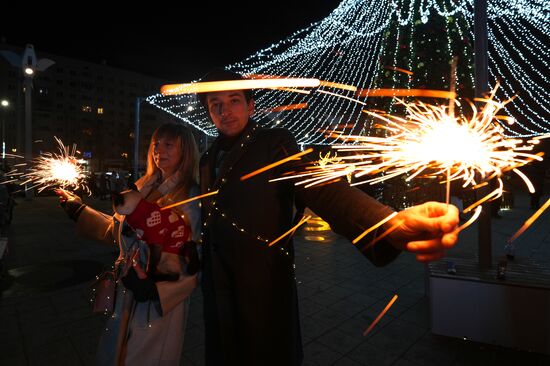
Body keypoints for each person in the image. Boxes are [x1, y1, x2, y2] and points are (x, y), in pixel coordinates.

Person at [196, 68, 460, 366]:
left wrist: (387, 223)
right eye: (215, 104)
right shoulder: (207, 159)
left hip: (262, 289)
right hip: (217, 292)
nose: (225, 110)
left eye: (234, 100)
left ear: (251, 105)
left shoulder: (273, 144)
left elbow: (322, 188)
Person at [56, 122, 201, 366]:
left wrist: (155, 289)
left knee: (146, 356)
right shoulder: (143, 186)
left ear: (185, 151)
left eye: (168, 145)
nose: (159, 151)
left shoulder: (190, 197)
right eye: (156, 144)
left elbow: (192, 257)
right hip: (128, 289)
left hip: (156, 301)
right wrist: (78, 209)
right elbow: (120, 231)